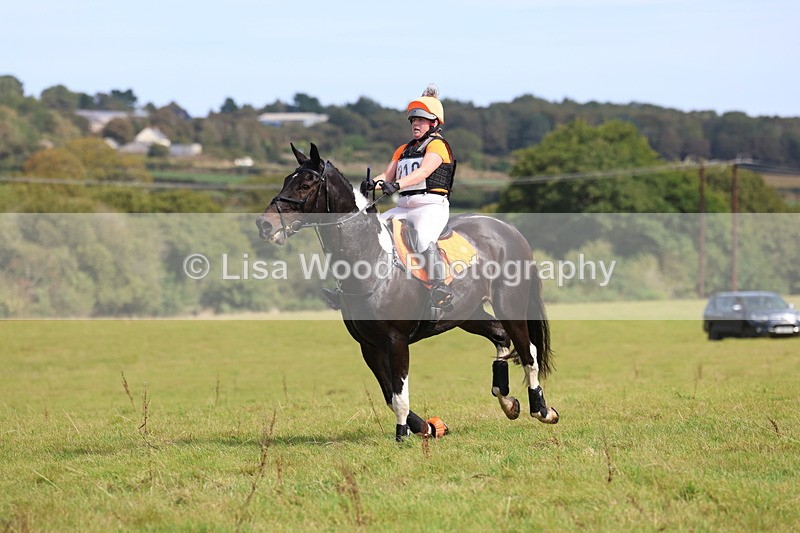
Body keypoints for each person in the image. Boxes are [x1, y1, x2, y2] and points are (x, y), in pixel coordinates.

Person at [368, 84, 457, 322]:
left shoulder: (438, 146)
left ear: (434, 123)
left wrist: (397, 185)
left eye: (422, 120)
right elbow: (386, 176)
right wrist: (370, 183)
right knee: (370, 231)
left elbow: (422, 173)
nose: (416, 124)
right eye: (413, 120)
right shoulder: (403, 150)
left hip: (430, 206)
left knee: (423, 239)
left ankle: (440, 287)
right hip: (403, 206)